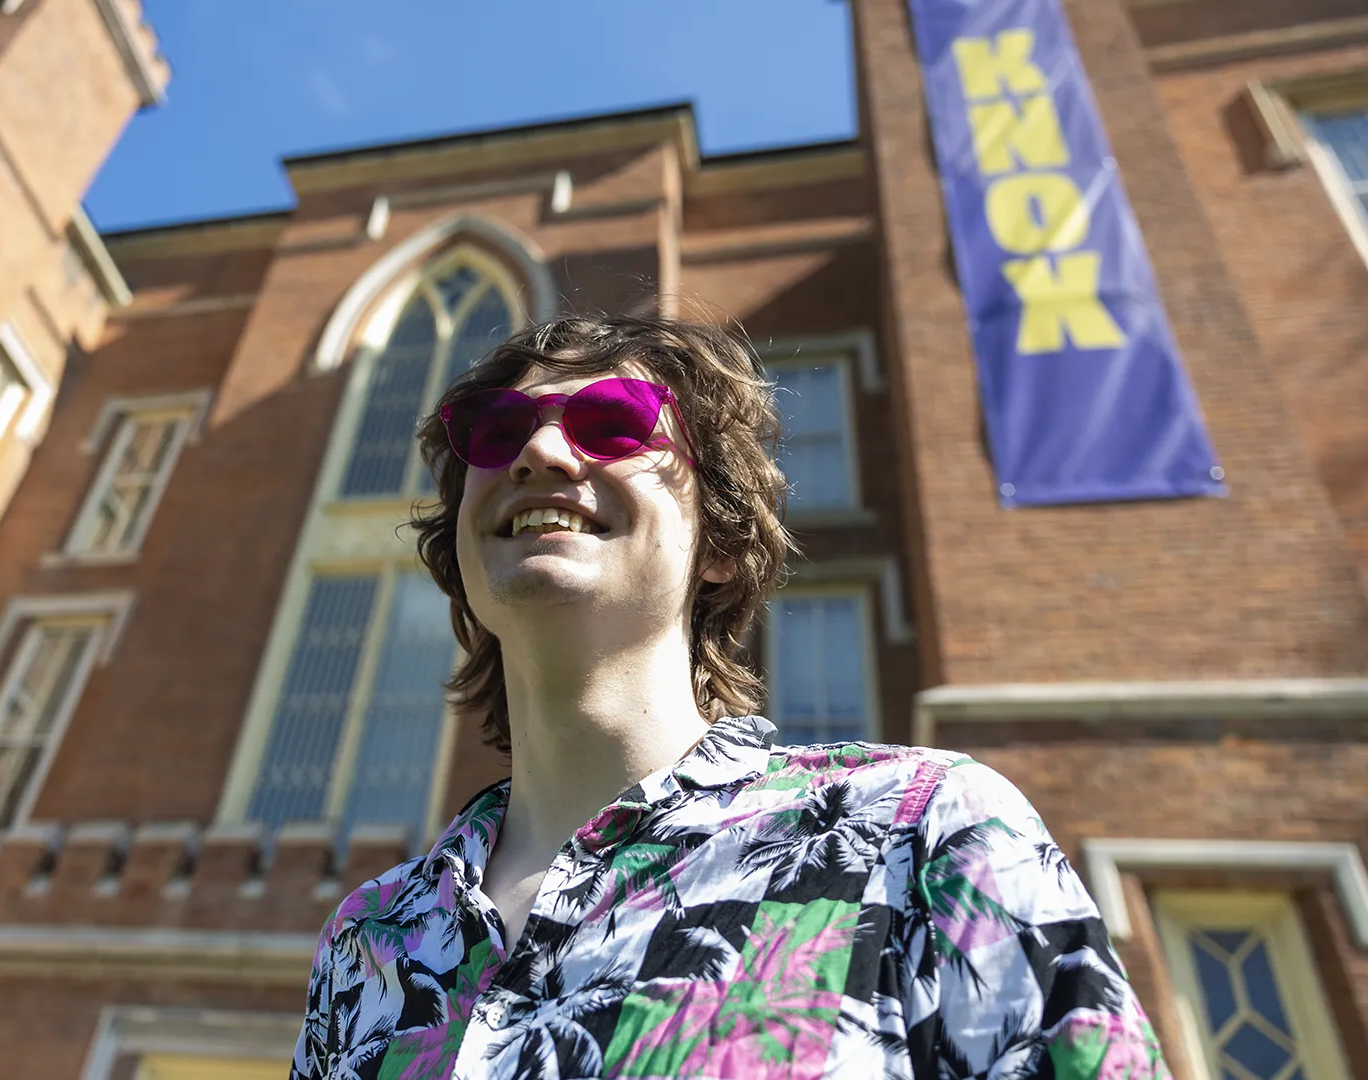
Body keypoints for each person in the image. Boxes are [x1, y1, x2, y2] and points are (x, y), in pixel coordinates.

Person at [291, 314, 1169, 1079]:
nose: (541, 450)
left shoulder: (924, 829)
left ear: (719, 540)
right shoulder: (368, 941)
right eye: (498, 429)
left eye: (611, 424)